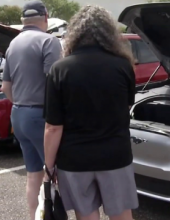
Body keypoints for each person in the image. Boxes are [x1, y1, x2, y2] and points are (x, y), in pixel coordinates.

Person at [43, 5, 138, 220]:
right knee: (122, 215)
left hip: (75, 159)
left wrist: (48, 168)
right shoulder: (123, 66)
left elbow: (53, 127)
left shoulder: (60, 69)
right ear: (109, 33)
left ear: (74, 34)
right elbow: (126, 107)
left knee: (86, 215)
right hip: (115, 155)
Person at [0, 1, 62, 219]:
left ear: (23, 20)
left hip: (18, 115)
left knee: (33, 174)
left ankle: (33, 216)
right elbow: (55, 84)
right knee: (56, 174)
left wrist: (21, 104)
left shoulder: (13, 44)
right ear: (46, 17)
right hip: (41, 117)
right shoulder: (49, 41)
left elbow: (5, 87)